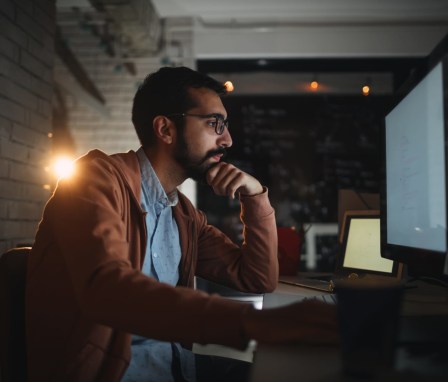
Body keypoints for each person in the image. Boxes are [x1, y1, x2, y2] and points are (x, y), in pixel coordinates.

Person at [26, 66, 337, 382]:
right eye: (214, 124)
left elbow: (258, 279)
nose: (227, 139)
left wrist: (255, 196)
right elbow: (107, 287)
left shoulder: (184, 216)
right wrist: (250, 323)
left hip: (176, 366)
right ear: (165, 129)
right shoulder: (95, 180)